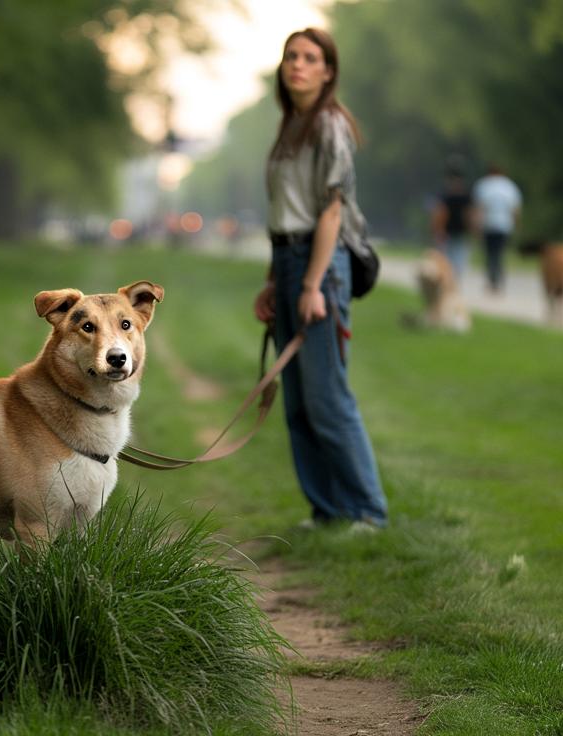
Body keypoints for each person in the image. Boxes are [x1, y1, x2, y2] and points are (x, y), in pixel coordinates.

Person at [252, 27, 388, 529]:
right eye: (292, 57)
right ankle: (327, 510)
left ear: (328, 71)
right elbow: (285, 212)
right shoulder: (291, 126)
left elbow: (330, 213)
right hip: (289, 259)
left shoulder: (329, 125)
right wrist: (275, 279)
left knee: (328, 397)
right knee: (298, 401)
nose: (298, 65)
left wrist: (311, 285)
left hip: (321, 264)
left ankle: (368, 512)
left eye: (310, 58)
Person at [472, 164, 522, 294]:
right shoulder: (509, 186)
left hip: (488, 225)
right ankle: (499, 279)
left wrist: (476, 226)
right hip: (504, 225)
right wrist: (517, 225)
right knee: (499, 253)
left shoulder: (483, 185)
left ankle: (492, 280)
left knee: (490, 253)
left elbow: (479, 208)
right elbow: (515, 209)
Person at [431, 166, 473, 284]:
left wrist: (437, 229)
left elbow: (440, 213)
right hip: (453, 231)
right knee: (455, 259)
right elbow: (469, 214)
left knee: (450, 259)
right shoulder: (464, 195)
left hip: (451, 231)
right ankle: (452, 281)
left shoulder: (445, 194)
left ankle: (450, 282)